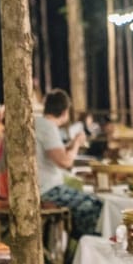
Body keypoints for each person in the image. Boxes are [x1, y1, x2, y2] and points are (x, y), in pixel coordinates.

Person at [35, 89, 103, 239]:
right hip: (47, 190)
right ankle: (82, 246)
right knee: (95, 204)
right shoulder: (48, 127)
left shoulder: (38, 123)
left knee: (89, 198)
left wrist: (71, 144)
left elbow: (54, 153)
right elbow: (65, 162)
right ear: (65, 111)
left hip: (40, 186)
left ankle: (74, 244)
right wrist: (78, 143)